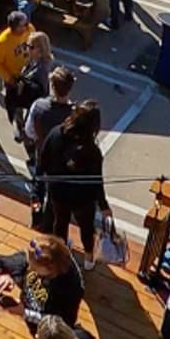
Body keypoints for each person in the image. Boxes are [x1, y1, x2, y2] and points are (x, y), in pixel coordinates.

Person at [36, 102, 110, 259]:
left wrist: (39, 187)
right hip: (83, 199)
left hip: (57, 192)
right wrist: (104, 206)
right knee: (86, 228)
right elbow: (97, 181)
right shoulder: (92, 151)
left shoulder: (56, 133)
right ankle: (88, 257)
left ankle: (60, 254)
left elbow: (42, 160)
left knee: (60, 223)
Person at [0, 233, 84, 328]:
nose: (29, 269)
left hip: (45, 328)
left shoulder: (68, 289)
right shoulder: (36, 254)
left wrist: (25, 313)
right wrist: (8, 275)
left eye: (34, 269)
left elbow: (59, 323)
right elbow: (15, 262)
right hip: (30, 306)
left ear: (49, 268)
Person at [25, 66, 76, 159]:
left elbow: (29, 132)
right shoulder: (76, 115)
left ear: (52, 87)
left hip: (43, 155)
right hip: (64, 160)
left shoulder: (38, 106)